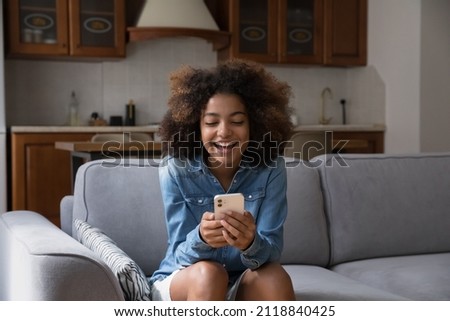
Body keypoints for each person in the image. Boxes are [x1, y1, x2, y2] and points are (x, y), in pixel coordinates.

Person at [150, 59, 296, 301]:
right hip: (187, 278)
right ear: (195, 127)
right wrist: (202, 238)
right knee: (210, 274)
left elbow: (272, 252)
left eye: (237, 121)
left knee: (275, 277)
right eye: (211, 122)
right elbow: (179, 255)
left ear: (255, 125)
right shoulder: (176, 168)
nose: (224, 131)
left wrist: (251, 243)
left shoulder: (271, 168)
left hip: (242, 279)